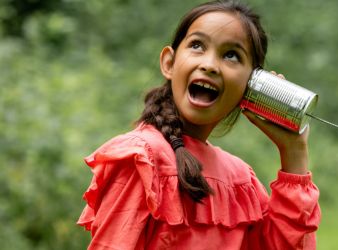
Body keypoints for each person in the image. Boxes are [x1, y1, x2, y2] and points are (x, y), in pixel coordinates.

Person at [77, 0, 321, 249]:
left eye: (231, 55)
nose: (209, 65)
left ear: (252, 84)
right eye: (197, 45)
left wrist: (294, 152)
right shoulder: (141, 161)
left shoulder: (242, 183)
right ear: (169, 63)